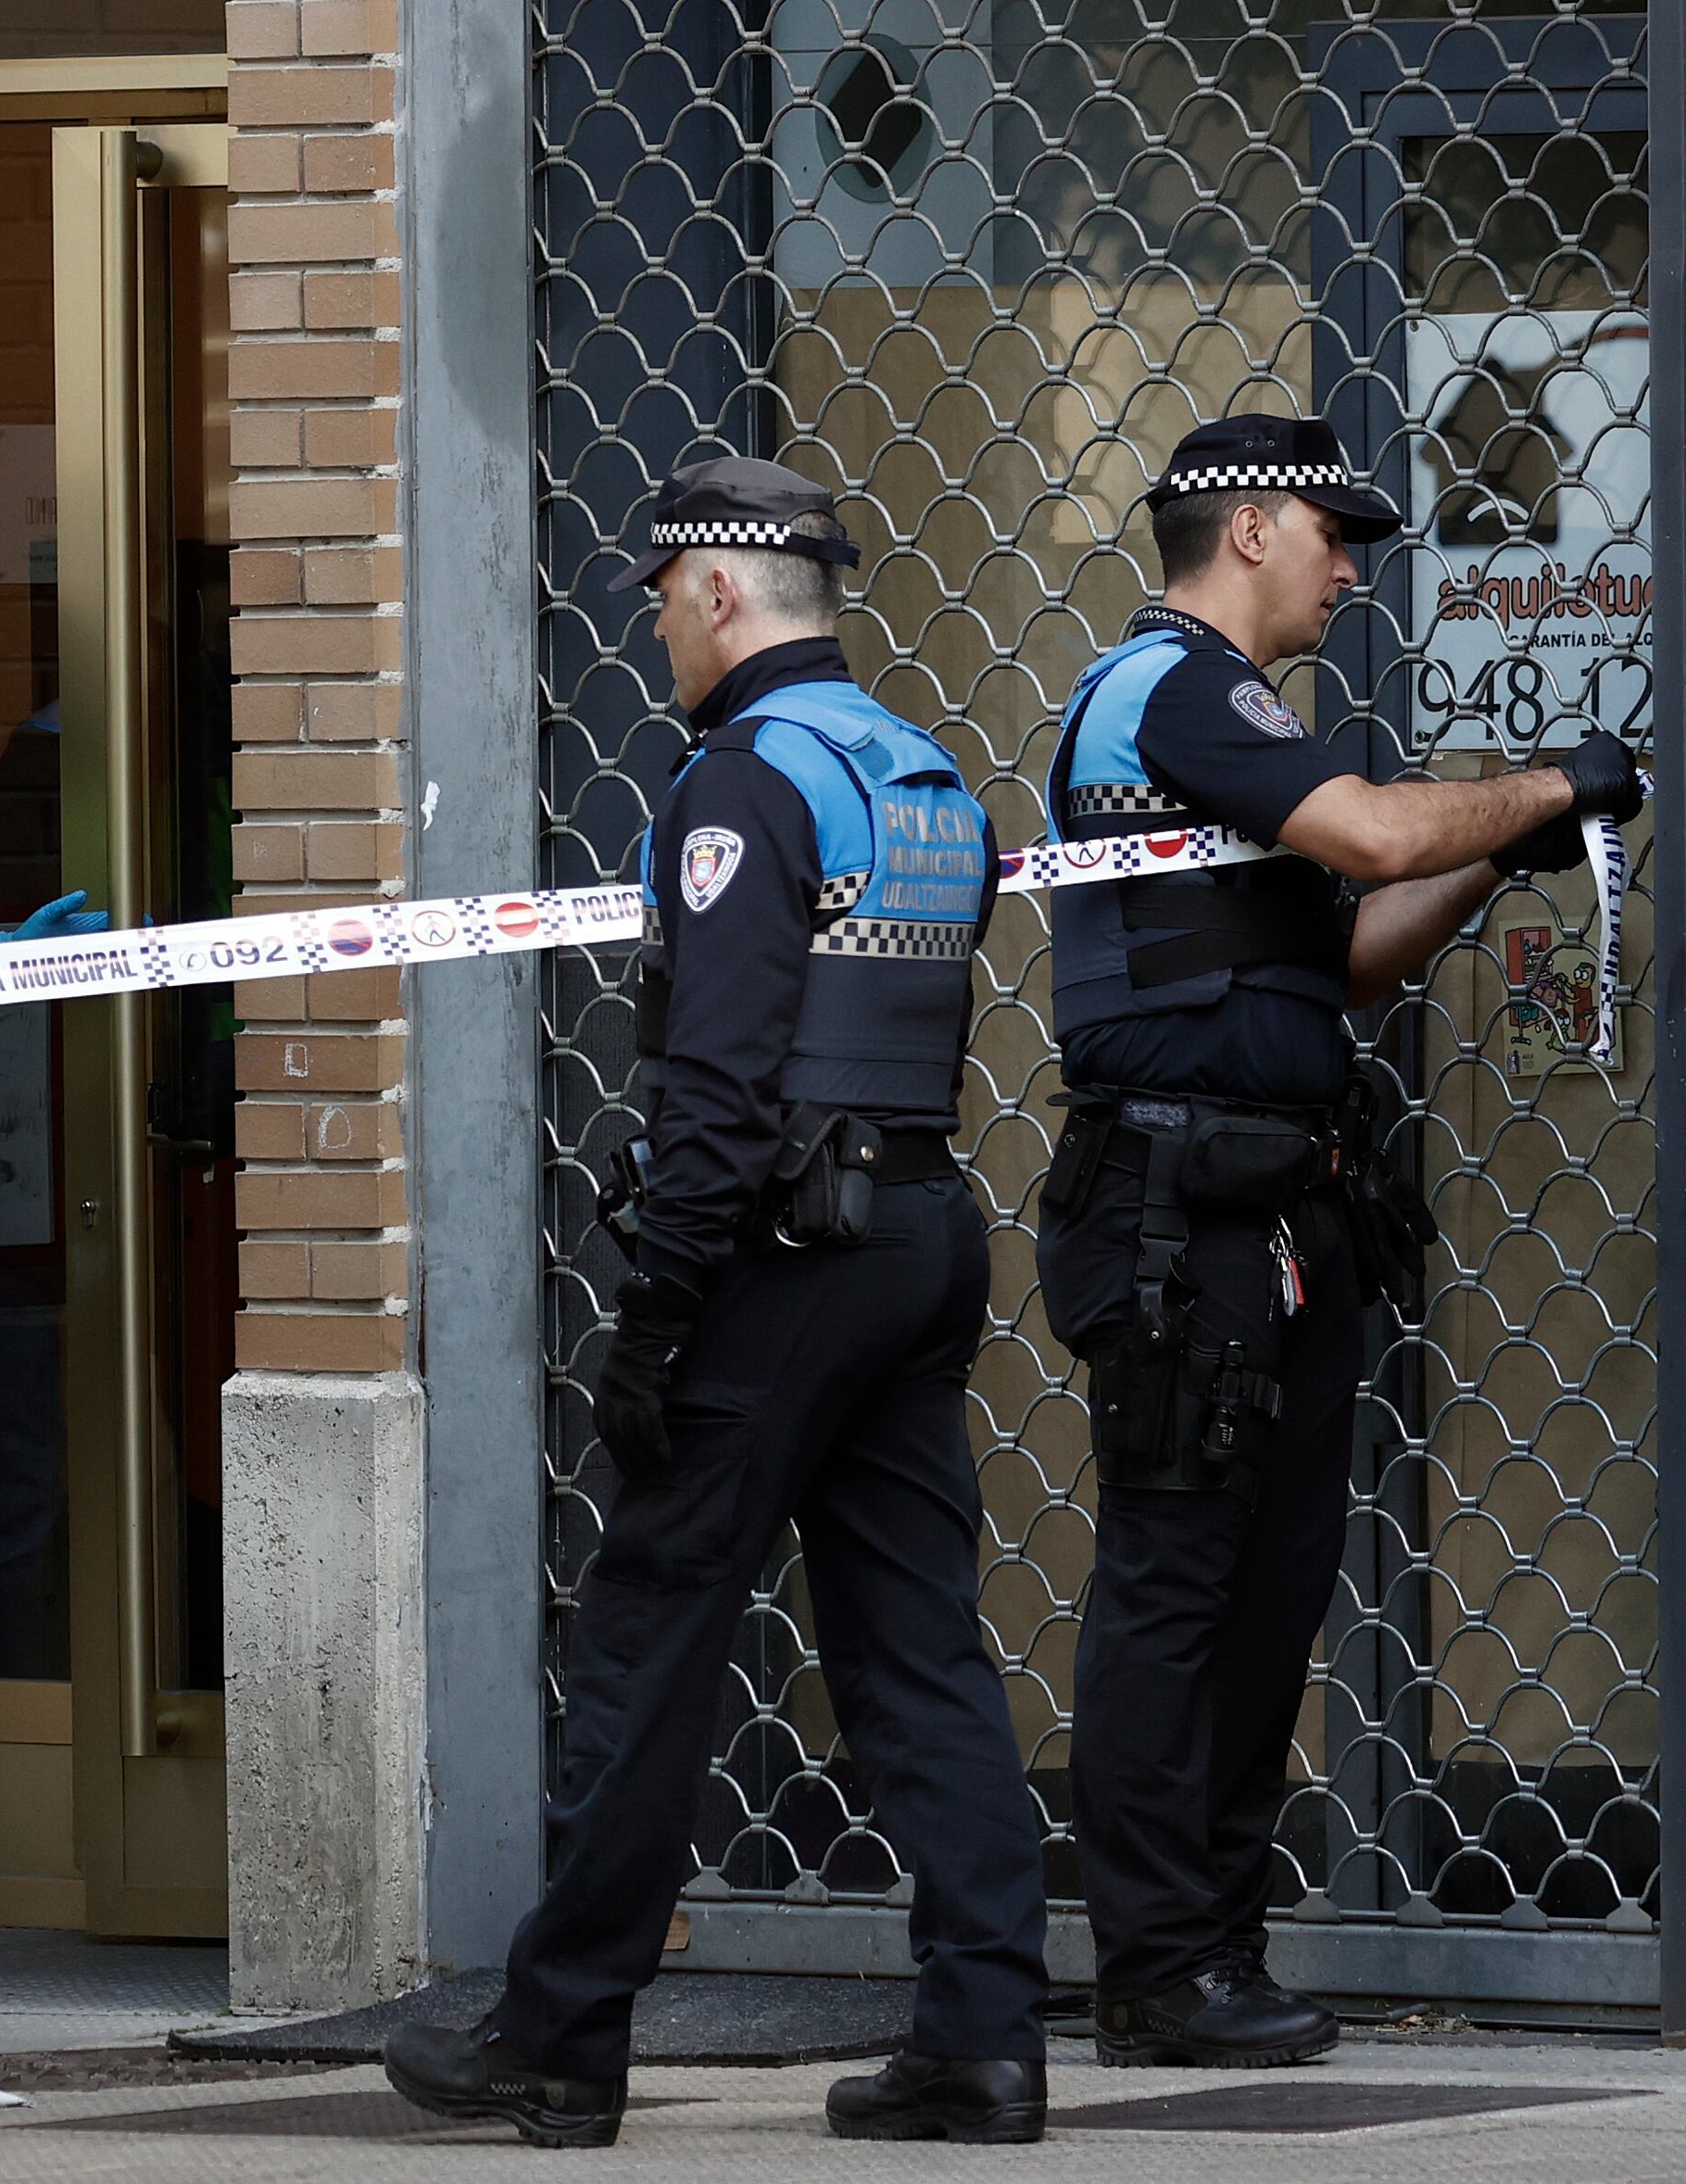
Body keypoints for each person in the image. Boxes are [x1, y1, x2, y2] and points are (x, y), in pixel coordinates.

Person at [384, 457, 1051, 2148]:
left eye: (665, 600)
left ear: (716, 593)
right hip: (914, 1230)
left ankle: (559, 2035)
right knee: (917, 1656)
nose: (661, 635)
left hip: (781, 1261)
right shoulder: (922, 776)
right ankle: (984, 2037)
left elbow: (718, 1087)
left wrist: (657, 1316)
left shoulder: (740, 786)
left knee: (645, 1642)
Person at [1036, 414, 1642, 2065]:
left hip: (1270, 1211)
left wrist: (1495, 853)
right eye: (1332, 531)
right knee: (1179, 1592)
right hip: (1182, 1214)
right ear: (1244, 530)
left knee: (1260, 1591)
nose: (1351, 565)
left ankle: (1210, 1952)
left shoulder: (1224, 720)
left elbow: (1348, 950)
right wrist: (1545, 783)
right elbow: (1373, 831)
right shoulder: (1171, 686)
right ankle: (1157, 1967)